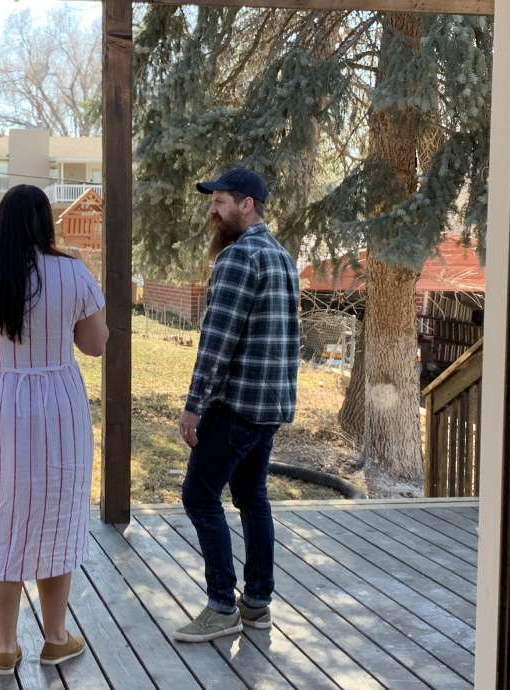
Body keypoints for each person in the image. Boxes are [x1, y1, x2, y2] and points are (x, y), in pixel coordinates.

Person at [0, 184, 108, 675]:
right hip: (55, 406)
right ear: (45, 223)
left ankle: (6, 645)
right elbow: (95, 345)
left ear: (0, 222)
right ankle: (55, 637)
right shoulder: (72, 271)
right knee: (54, 512)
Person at [172, 167, 300, 643]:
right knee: (251, 499)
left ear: (247, 204)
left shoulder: (238, 258)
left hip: (236, 407)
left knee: (199, 496)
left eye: (220, 201)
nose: (212, 210)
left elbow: (217, 341)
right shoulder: (282, 258)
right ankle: (258, 604)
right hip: (270, 408)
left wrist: (193, 406)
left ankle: (222, 604)